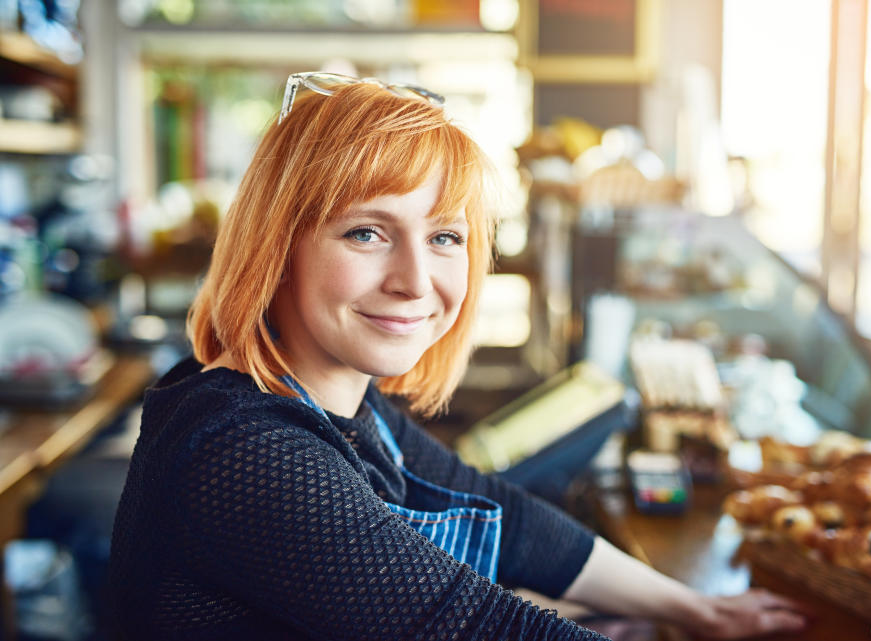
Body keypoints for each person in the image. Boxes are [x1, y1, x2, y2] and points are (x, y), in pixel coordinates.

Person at [108, 72, 807, 641]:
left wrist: (697, 610)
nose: (416, 280)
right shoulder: (244, 448)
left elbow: (505, 516)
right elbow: (475, 624)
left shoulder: (340, 402)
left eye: (445, 237)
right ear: (277, 248)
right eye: (366, 233)